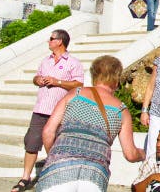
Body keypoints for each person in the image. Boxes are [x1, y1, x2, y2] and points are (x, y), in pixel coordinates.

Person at [36, 55, 145, 191]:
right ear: (116, 79)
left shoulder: (75, 94)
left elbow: (48, 132)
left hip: (59, 171)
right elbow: (130, 154)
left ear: (94, 75)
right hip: (94, 176)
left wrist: (55, 156)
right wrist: (145, 154)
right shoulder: (121, 110)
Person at [12, 30, 84, 192]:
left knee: (55, 145)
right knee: (31, 143)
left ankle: (55, 176)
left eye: (52, 39)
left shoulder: (73, 62)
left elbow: (79, 84)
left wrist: (57, 82)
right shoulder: (46, 61)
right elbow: (36, 77)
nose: (49, 41)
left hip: (58, 112)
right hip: (40, 109)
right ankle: (25, 177)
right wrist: (38, 80)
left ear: (60, 42)